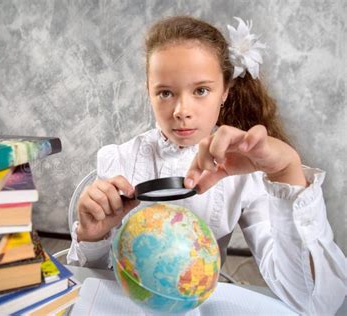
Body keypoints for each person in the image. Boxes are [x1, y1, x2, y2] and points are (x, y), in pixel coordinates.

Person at [67, 16, 346, 314]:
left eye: (201, 91)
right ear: (148, 91)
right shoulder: (119, 159)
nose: (181, 111)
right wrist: (92, 237)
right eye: (165, 92)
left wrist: (286, 173)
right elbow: (90, 282)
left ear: (225, 91)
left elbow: (314, 301)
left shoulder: (245, 172)